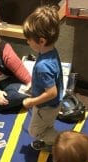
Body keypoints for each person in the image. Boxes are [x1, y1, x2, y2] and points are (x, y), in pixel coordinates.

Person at [22, 6, 63, 151]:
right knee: (47, 124)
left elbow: (51, 92)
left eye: (29, 40)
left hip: (46, 106)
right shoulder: (51, 51)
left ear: (41, 41)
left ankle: (61, 141)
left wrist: (32, 101)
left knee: (35, 131)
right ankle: (49, 138)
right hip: (53, 105)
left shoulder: (42, 66)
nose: (28, 42)